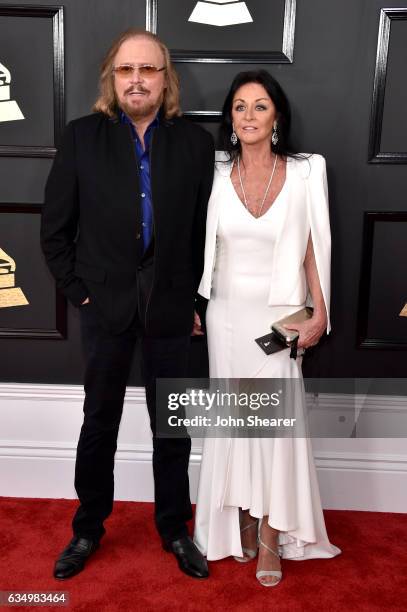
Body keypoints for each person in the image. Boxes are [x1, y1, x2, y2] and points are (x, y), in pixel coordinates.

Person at [41, 28, 214, 580]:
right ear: (111, 79)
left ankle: (174, 529)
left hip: (170, 310)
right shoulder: (80, 137)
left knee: (173, 426)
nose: (137, 79)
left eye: (148, 69)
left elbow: (205, 233)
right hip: (105, 308)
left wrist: (195, 300)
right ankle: (88, 528)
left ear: (167, 79)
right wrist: (81, 292)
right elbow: (55, 230)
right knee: (99, 424)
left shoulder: (194, 143)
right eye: (126, 70)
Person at [193, 70, 341, 587]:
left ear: (276, 116)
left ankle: (275, 533)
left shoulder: (304, 172)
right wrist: (194, 299)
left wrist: (318, 313)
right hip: (226, 316)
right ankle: (243, 522)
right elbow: (196, 241)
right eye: (240, 107)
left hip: (280, 316)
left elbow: (313, 248)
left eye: (260, 106)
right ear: (230, 120)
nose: (249, 116)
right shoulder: (212, 171)